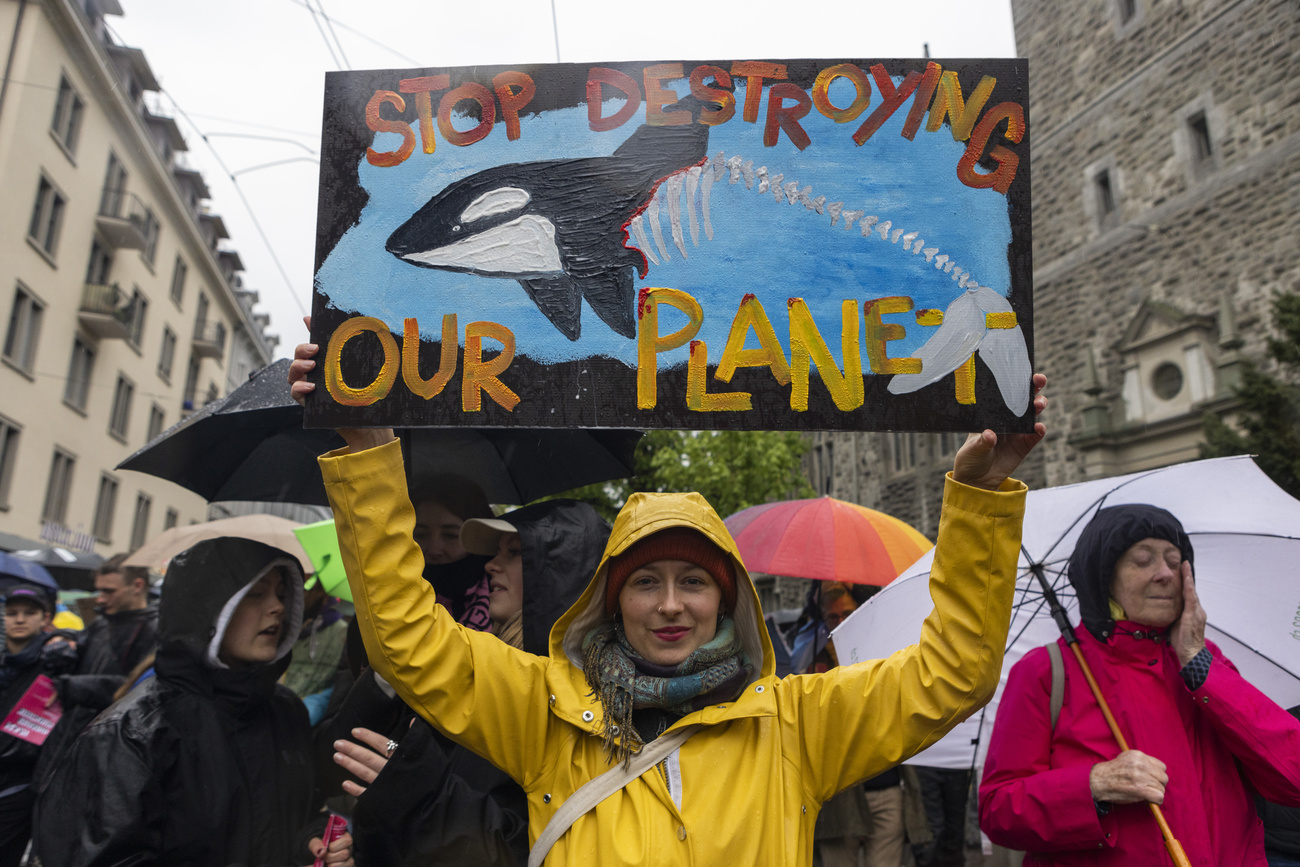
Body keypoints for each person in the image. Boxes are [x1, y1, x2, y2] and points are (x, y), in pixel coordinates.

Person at [294, 338, 1048, 865]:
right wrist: (366, 449)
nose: (669, 605)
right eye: (646, 582)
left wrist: (979, 498)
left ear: (727, 601)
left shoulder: (797, 725)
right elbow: (407, 638)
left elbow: (955, 673)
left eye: (693, 582)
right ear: (610, 600)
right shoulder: (544, 711)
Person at [979, 504, 1300, 865]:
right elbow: (998, 810)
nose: (1165, 573)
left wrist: (1200, 667)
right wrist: (1092, 786)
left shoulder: (1206, 662)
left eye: (1174, 560)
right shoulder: (1044, 671)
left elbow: (1293, 776)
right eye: (1142, 560)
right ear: (1104, 578)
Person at [31, 537, 352, 867]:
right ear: (208, 606)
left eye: (283, 595)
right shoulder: (135, 732)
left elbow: (292, 814)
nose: (278, 607)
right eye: (257, 593)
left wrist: (308, 843)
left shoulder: (285, 710)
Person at [333, 500, 607, 866]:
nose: (491, 565)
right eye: (495, 552)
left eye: (514, 553)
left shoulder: (580, 702)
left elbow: (527, 847)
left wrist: (421, 795)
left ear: (561, 571)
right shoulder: (483, 667)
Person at [810, 583, 905, 867]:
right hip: (839, 796)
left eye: (848, 613)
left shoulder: (883, 652)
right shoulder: (817, 664)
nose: (841, 622)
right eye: (833, 617)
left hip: (885, 788)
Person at [0, 585, 75, 866]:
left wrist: (65, 637)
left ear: (45, 618)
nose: (19, 619)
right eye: (12, 613)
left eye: (28, 613)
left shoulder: (57, 660)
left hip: (20, 781)